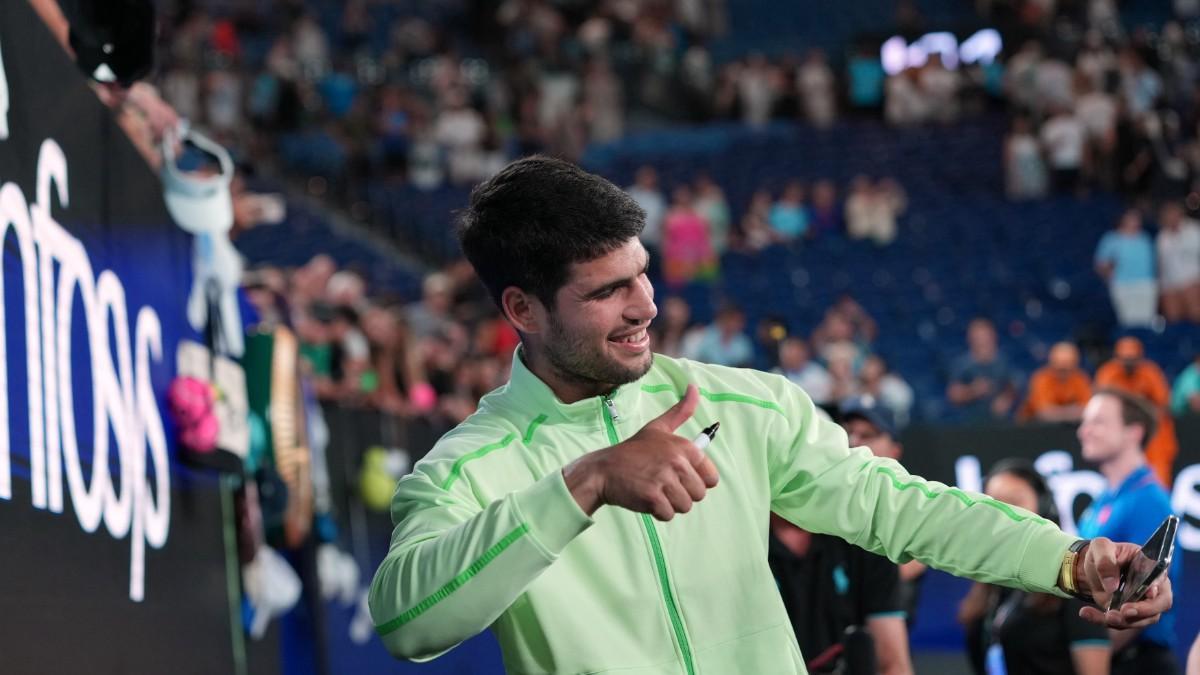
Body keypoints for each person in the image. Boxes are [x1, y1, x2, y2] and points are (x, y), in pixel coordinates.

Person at [368, 156, 1172, 674]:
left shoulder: (742, 402)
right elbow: (407, 618)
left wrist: (1069, 561)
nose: (645, 304)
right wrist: (584, 482)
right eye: (607, 290)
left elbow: (901, 507)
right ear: (523, 308)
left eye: (642, 274)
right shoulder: (471, 463)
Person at [958, 460, 1111, 675]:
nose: (1003, 513)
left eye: (1014, 501)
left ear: (1044, 507)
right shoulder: (990, 582)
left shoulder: (1074, 582)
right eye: (993, 503)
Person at [1076, 388, 1182, 674]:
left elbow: (1140, 597)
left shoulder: (1148, 500)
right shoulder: (1104, 500)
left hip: (1138, 664)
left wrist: (1086, 661)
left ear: (1133, 432)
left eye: (1098, 421)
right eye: (1085, 422)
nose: (1083, 431)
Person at [1095, 337, 1177, 487]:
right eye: (1125, 359)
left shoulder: (1150, 372)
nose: (1129, 363)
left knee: (1159, 478)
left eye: (1133, 359)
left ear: (1140, 357)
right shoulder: (1108, 373)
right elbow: (1101, 406)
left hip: (1151, 432)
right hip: (1121, 430)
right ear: (1117, 357)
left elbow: (1164, 406)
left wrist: (1137, 409)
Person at [1095, 209, 1157, 328]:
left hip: (1146, 284)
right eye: (1131, 218)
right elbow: (1101, 264)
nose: (1135, 221)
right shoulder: (1111, 239)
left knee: (1147, 320)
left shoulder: (1145, 238)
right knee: (1127, 321)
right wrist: (1109, 276)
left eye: (1137, 218)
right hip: (1122, 285)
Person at [947, 318, 1018, 421]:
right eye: (979, 337)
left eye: (986, 337)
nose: (983, 341)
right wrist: (973, 391)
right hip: (971, 424)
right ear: (971, 339)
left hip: (1000, 423)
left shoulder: (1004, 362)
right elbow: (953, 395)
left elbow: (1013, 386)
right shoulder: (962, 365)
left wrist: (1006, 399)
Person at [1018, 342, 1093, 423]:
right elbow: (1044, 413)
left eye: (1068, 368)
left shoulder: (1080, 378)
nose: (1064, 372)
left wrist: (1058, 412)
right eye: (1060, 369)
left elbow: (1088, 410)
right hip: (1034, 427)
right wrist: (1073, 411)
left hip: (1070, 429)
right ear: (1052, 363)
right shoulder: (1041, 379)